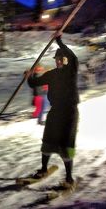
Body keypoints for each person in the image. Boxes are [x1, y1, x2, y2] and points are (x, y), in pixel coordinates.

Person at [26, 31, 79, 188]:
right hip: (55, 111)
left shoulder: (71, 72)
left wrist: (60, 42)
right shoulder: (51, 74)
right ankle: (43, 169)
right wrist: (29, 76)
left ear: (65, 60)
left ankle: (69, 178)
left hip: (69, 113)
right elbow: (34, 83)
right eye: (57, 59)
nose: (58, 62)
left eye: (61, 59)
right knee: (48, 140)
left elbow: (74, 58)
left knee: (66, 144)